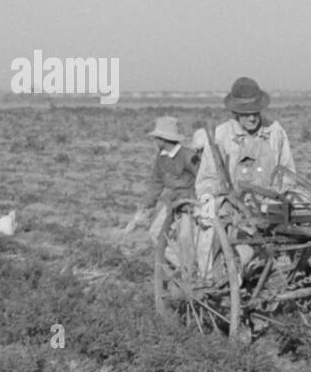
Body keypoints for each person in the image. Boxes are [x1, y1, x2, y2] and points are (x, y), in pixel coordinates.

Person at [194, 77, 297, 277]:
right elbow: (206, 181)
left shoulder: (275, 131)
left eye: (255, 113)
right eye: (246, 114)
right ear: (235, 113)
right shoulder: (221, 136)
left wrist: (274, 197)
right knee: (207, 237)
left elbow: (288, 172)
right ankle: (209, 282)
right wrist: (209, 213)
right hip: (232, 208)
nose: (252, 118)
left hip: (270, 205)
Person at [124, 116, 200, 251]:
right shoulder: (162, 156)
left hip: (190, 203)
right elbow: (156, 182)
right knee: (155, 234)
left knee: (185, 239)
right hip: (172, 201)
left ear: (163, 139)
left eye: (156, 138)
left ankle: (188, 266)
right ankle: (181, 265)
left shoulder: (188, 156)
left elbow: (201, 179)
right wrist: (146, 206)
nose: (154, 141)